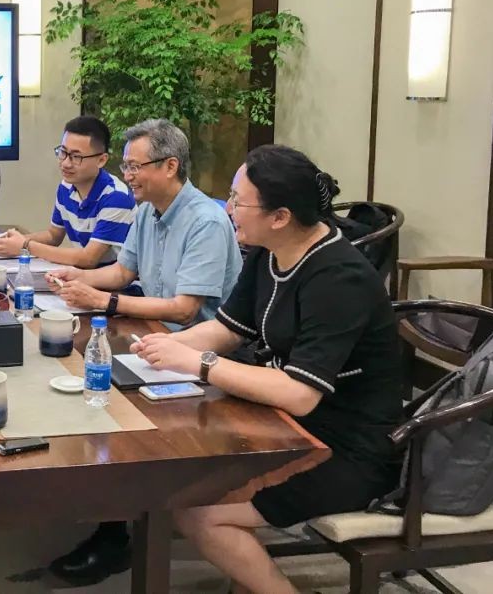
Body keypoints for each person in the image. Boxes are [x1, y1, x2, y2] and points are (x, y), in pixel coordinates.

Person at [131, 145, 402, 594]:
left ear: (280, 216)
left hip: (345, 446)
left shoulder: (339, 278)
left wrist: (200, 363)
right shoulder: (267, 250)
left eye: (238, 201)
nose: (228, 209)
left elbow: (300, 393)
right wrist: (162, 347)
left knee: (198, 509)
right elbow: (227, 328)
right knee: (180, 473)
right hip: (283, 422)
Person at [47, 119, 243, 585]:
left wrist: (105, 301)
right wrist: (74, 279)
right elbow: (120, 273)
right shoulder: (148, 212)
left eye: (135, 167)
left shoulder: (205, 220)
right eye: (126, 166)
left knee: (107, 406)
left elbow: (185, 307)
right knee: (78, 379)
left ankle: (116, 534)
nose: (127, 176)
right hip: (152, 338)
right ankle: (97, 503)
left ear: (170, 166)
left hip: (198, 352)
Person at [0, 115, 135, 267]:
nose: (65, 163)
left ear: (101, 160)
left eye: (76, 157)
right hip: (82, 275)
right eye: (63, 152)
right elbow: (53, 235)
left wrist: (25, 245)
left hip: (115, 279)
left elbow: (89, 258)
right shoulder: (66, 187)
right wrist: (11, 241)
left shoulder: (116, 197)